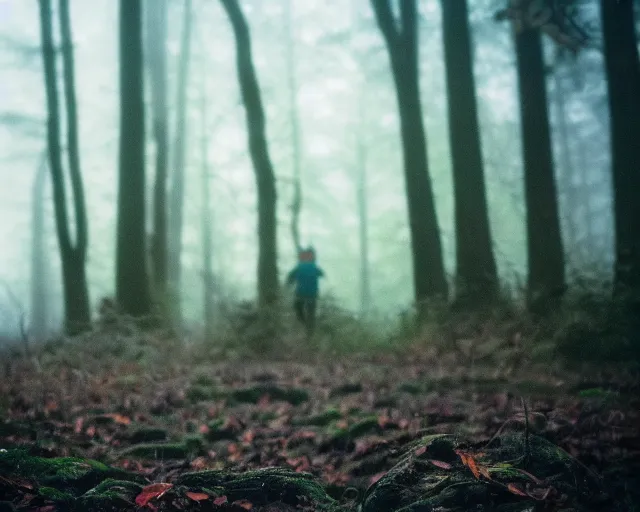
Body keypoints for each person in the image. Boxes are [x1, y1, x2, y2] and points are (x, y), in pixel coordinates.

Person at [286, 246, 325, 333]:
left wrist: (288, 286)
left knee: (298, 309)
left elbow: (290, 278)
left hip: (301, 294)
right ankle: (310, 333)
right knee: (311, 314)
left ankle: (303, 324)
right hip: (312, 295)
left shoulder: (299, 267)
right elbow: (322, 274)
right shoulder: (314, 268)